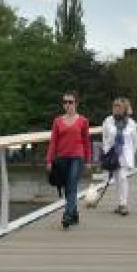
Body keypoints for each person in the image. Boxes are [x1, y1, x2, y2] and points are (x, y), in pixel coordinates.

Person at [46, 91, 91, 229]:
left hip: (77, 157)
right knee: (67, 186)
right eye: (65, 102)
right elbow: (53, 142)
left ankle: (67, 214)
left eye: (70, 102)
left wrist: (89, 160)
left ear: (76, 103)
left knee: (71, 184)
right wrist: (49, 160)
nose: (67, 105)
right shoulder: (57, 121)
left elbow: (86, 142)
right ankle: (75, 213)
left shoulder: (83, 121)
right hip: (61, 158)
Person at [101, 98, 137, 216]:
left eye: (119, 106)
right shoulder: (108, 121)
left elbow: (135, 141)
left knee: (122, 177)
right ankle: (120, 202)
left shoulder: (131, 123)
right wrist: (107, 152)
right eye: (114, 106)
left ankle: (123, 204)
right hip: (113, 155)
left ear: (125, 109)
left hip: (125, 155)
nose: (116, 108)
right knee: (117, 180)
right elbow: (105, 138)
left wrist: (130, 153)